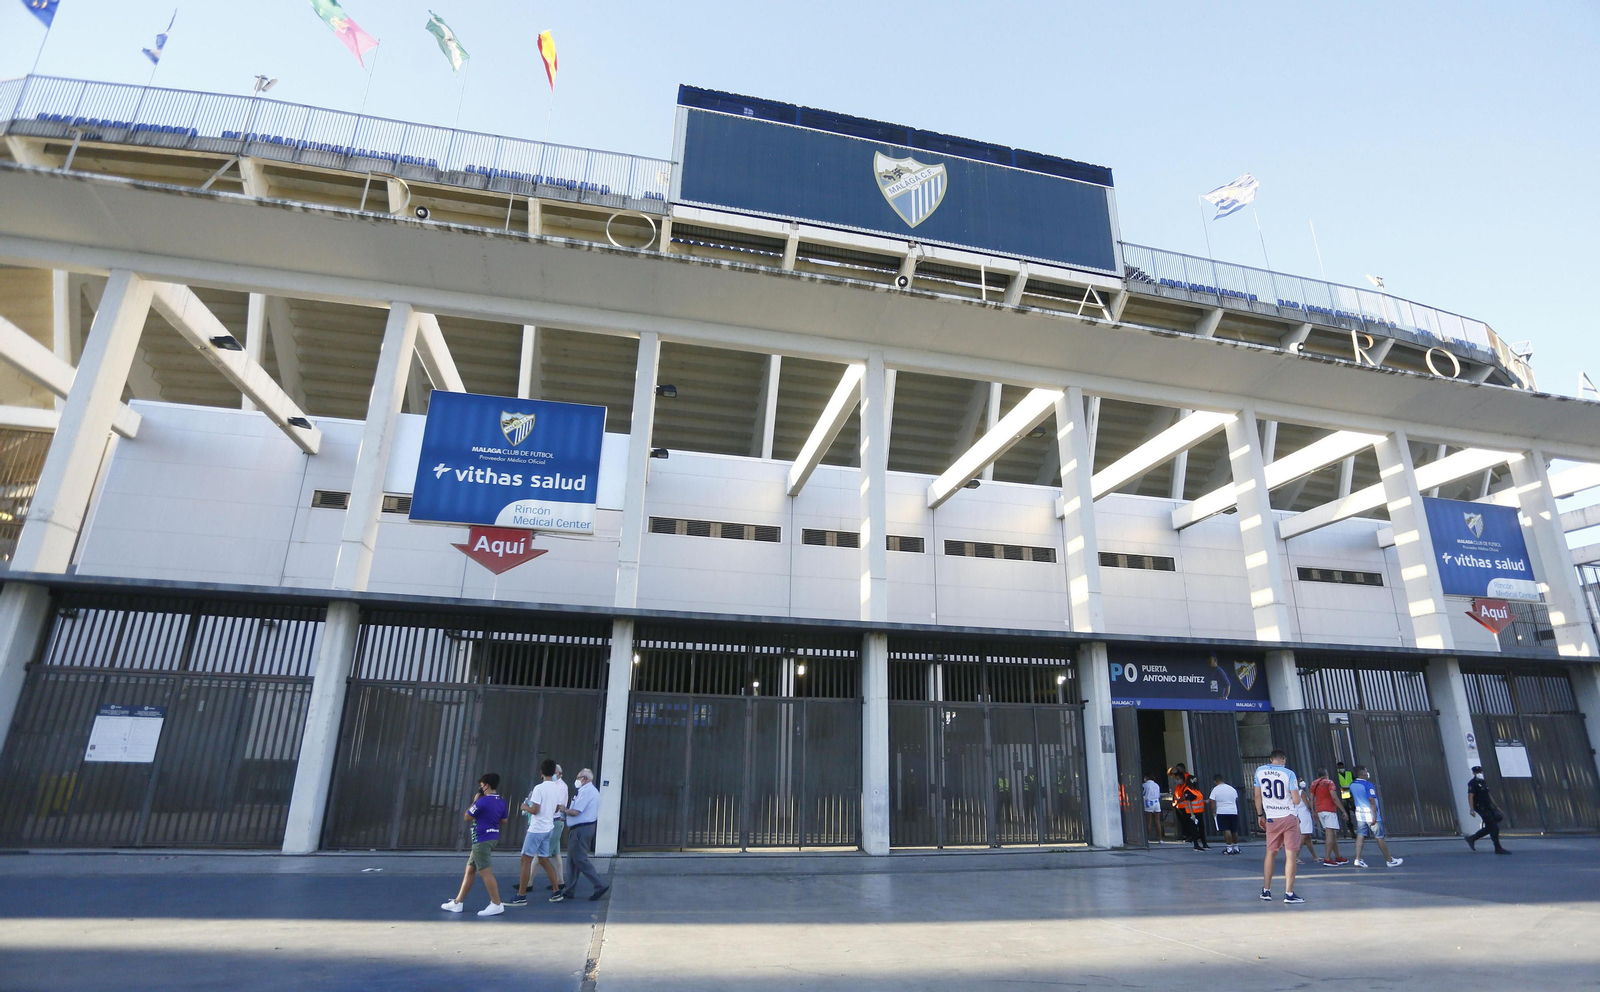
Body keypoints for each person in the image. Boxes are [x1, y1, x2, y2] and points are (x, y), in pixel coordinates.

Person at [441, 772, 508, 917]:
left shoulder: (482, 801)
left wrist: (474, 801)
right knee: (470, 869)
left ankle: (496, 904)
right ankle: (458, 902)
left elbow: (467, 816)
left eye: (482, 785)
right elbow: (503, 820)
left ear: (486, 785)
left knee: (485, 872)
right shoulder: (501, 801)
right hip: (492, 837)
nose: (481, 787)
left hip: (481, 839)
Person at [509, 759, 568, 906]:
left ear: (541, 772)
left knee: (525, 860)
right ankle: (556, 891)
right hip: (549, 827)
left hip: (536, 829)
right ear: (554, 772)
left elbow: (534, 810)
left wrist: (524, 806)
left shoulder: (539, 788)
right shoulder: (556, 788)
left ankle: (521, 895)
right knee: (544, 859)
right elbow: (556, 808)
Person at [1254, 749, 1305, 904]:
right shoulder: (1289, 774)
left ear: (1271, 759)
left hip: (1271, 817)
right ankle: (1288, 893)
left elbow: (1257, 795)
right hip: (1288, 816)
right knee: (1290, 855)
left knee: (1270, 853)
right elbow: (1296, 800)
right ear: (1283, 759)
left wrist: (1259, 815)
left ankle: (1266, 890)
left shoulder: (1260, 771)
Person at [554, 767, 609, 902]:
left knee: (580, 859)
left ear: (584, 779)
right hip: (580, 829)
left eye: (578, 778)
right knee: (572, 861)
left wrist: (563, 809)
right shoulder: (587, 791)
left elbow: (576, 811)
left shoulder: (587, 792)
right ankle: (569, 890)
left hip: (581, 829)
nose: (577, 780)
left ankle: (600, 884)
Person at [1349, 766, 1403, 868]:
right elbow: (1372, 800)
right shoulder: (1368, 785)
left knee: (1360, 835)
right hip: (1370, 814)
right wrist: (1374, 815)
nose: (1368, 773)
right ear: (1364, 774)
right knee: (1379, 837)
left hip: (1360, 814)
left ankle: (1358, 858)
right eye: (1366, 772)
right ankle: (1389, 860)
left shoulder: (1352, 785)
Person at [1465, 765, 1511, 854]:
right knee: (1494, 827)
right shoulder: (1472, 783)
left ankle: (1472, 838)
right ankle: (1498, 848)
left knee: (1490, 827)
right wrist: (1471, 809)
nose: (1479, 773)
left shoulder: (1483, 782)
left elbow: (1488, 794)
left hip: (1488, 806)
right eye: (1477, 772)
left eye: (1480, 771)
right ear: (1474, 773)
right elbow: (1471, 796)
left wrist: (1496, 806)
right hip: (1480, 807)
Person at [1308, 767, 1349, 865]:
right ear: (1326, 774)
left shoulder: (1314, 783)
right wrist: (1343, 811)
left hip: (1320, 810)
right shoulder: (1329, 782)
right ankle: (1327, 858)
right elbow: (1334, 797)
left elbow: (1311, 798)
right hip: (1329, 809)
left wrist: (1313, 811)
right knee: (1330, 833)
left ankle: (1338, 856)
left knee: (1332, 833)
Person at [1173, 772, 1210, 851]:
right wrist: (1192, 814)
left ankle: (1204, 843)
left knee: (1201, 828)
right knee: (1194, 828)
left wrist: (1205, 801)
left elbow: (1197, 800)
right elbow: (1189, 802)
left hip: (1199, 812)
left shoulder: (1196, 790)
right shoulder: (1188, 790)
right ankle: (1196, 844)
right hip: (1193, 813)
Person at [1209, 773, 1240, 854]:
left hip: (1222, 811)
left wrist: (1213, 811)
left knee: (1226, 830)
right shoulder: (1231, 788)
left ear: (1215, 781)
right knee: (1234, 830)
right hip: (1233, 811)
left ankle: (1229, 848)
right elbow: (1236, 799)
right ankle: (1236, 847)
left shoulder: (1215, 789)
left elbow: (1212, 801)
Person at [1293, 778, 1320, 865]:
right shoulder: (1301, 792)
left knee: (1307, 837)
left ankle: (1315, 856)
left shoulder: (1292, 792)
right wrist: (1314, 811)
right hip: (1304, 814)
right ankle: (1295, 857)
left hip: (1298, 813)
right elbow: (1307, 805)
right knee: (1303, 836)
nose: (1302, 782)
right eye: (1300, 780)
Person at [1335, 761, 1356, 838]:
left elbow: (1354, 782)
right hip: (1343, 795)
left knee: (1356, 811)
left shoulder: (1349, 773)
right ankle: (1351, 832)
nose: (1341, 769)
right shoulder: (1337, 775)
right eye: (1340, 768)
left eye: (1342, 767)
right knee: (1347, 814)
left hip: (1351, 794)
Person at [1142, 774, 1164, 843]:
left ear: (1146, 778)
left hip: (1148, 803)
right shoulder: (1156, 785)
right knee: (1157, 822)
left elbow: (1143, 793)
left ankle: (1148, 838)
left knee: (1149, 822)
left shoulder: (1145, 785)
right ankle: (1160, 839)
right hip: (1157, 803)